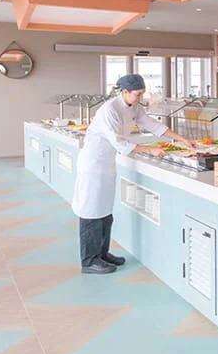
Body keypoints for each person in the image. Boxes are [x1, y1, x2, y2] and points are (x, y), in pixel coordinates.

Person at [73, 74, 193, 274]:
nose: (140, 97)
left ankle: (102, 254)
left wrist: (182, 139)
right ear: (125, 92)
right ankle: (89, 261)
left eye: (142, 93)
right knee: (91, 211)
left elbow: (153, 125)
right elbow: (119, 143)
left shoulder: (134, 107)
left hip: (106, 165)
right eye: (137, 94)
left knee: (104, 212)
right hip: (92, 165)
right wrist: (150, 150)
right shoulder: (109, 110)